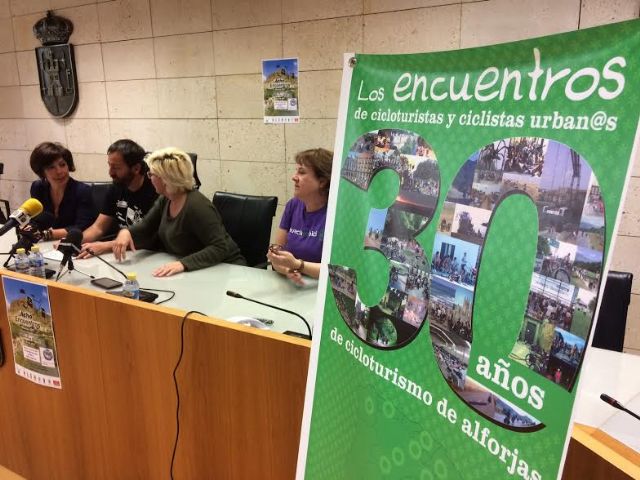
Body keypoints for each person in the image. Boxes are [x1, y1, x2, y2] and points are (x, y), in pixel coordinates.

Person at [112, 147, 244, 277]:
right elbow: (146, 226)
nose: (149, 178)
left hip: (228, 270)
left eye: (151, 174)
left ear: (165, 178)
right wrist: (126, 232)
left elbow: (220, 247)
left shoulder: (197, 205)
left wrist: (183, 264)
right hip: (200, 270)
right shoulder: (166, 199)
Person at [78, 139, 158, 257]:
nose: (110, 173)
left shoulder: (156, 190)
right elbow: (98, 228)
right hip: (123, 252)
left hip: (150, 254)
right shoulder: (117, 186)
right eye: (109, 166)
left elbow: (150, 237)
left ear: (136, 168)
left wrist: (106, 246)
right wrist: (74, 241)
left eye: (116, 168)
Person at [267, 148, 332, 285]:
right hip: (293, 286)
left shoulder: (335, 214)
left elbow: (337, 270)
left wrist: (298, 265)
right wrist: (287, 270)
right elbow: (277, 254)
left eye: (301, 172)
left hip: (322, 289)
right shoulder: (293, 205)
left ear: (322, 182)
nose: (294, 177)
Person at [28, 142, 96, 240]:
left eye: (62, 165)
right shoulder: (38, 188)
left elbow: (82, 227)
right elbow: (36, 221)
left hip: (73, 243)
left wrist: (47, 234)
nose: (59, 171)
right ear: (42, 171)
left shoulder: (82, 191)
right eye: (51, 167)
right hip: (44, 244)